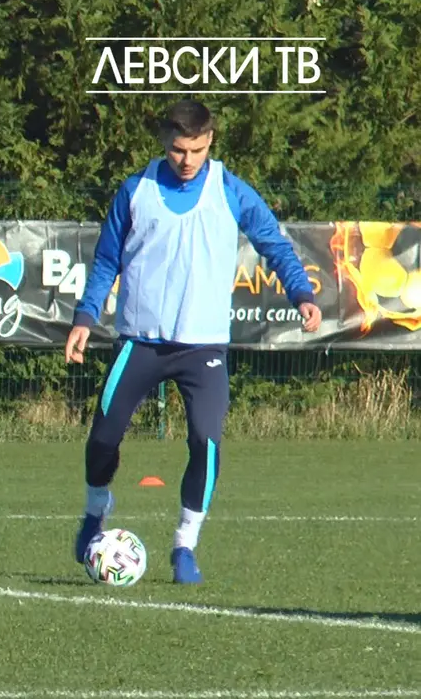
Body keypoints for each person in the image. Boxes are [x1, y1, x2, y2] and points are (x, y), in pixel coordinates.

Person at [66, 100, 320, 584]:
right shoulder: (135, 191)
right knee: (103, 436)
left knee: (206, 441)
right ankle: (96, 509)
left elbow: (273, 243)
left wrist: (301, 294)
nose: (188, 160)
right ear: (165, 142)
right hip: (139, 342)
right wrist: (85, 317)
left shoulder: (230, 190)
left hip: (203, 348)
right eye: (179, 150)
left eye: (198, 150)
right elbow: (106, 261)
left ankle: (185, 545)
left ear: (210, 142)